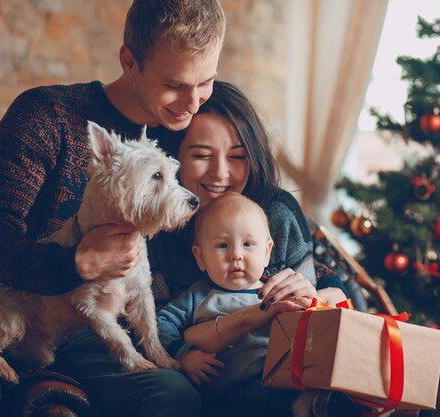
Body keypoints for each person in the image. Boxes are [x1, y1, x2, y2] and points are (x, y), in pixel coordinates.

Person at [0, 1, 225, 416]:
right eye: (175, 84)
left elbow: (243, 198)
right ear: (129, 61)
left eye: (206, 82)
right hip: (2, 303)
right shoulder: (45, 115)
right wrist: (75, 263)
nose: (193, 102)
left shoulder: (182, 137)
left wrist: (314, 278)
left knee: (174, 397)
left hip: (86, 333)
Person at [147, 80, 349, 416]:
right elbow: (157, 325)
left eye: (237, 156)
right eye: (201, 155)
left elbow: (322, 288)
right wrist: (185, 352)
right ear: (173, 158)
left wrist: (316, 291)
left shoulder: (275, 212)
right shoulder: (153, 227)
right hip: (213, 383)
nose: (221, 173)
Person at [158, 192, 345, 417]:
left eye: (248, 244)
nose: (236, 255)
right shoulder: (197, 296)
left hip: (287, 376)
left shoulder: (277, 288)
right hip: (232, 392)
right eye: (222, 245)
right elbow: (160, 323)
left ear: (267, 252)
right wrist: (183, 354)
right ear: (200, 257)